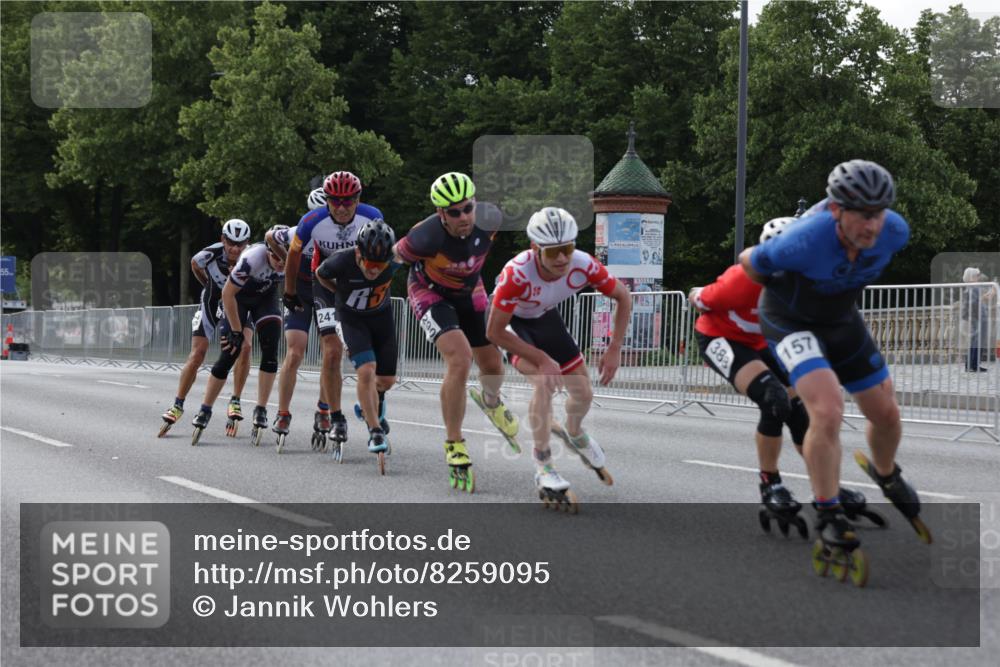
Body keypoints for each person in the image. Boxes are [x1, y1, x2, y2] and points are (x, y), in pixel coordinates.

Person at [740, 160, 929, 584]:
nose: (873, 225)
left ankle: (886, 473)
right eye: (863, 214)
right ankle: (828, 511)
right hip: (789, 319)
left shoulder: (895, 230)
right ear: (837, 210)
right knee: (826, 410)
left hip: (842, 319)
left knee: (886, 413)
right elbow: (750, 261)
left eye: (879, 212)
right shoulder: (803, 240)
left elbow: (878, 234)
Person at [691, 217, 882, 537]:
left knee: (803, 416)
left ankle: (827, 489)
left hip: (765, 342)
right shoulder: (740, 281)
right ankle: (771, 483)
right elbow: (697, 298)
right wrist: (698, 292)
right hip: (721, 338)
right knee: (773, 398)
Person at [487, 207, 630, 510]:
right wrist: (541, 359)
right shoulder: (517, 274)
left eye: (567, 249)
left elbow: (623, 297)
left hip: (545, 318)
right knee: (544, 380)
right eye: (554, 252)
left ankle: (576, 434)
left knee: (583, 393)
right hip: (513, 324)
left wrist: (615, 347)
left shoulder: (583, 265)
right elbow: (494, 332)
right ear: (535, 249)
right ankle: (544, 466)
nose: (563, 259)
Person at [393, 172, 518, 493]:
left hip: (470, 290)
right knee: (460, 360)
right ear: (440, 214)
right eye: (454, 212)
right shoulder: (423, 238)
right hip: (429, 292)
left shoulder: (490, 219)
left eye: (467, 208)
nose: (463, 217)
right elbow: (391, 261)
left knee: (492, 365)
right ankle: (454, 442)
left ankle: (491, 401)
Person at [277, 172, 384, 448]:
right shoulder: (312, 221)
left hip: (357, 283)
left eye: (348, 201)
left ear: (357, 199)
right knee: (333, 349)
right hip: (323, 281)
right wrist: (289, 292)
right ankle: (334, 415)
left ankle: (331, 405)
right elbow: (292, 256)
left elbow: (382, 251)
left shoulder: (372, 215)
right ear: (327, 200)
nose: (341, 206)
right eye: (334, 201)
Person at [190, 226, 288, 446]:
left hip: (265, 299)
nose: (281, 263)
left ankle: (261, 408)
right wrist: (235, 330)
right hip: (238, 299)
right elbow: (227, 294)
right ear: (268, 250)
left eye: (285, 259)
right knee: (230, 351)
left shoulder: (291, 261)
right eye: (276, 257)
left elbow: (295, 284)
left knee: (270, 349)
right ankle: (205, 409)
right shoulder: (252, 258)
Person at [315, 219, 401, 467]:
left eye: (380, 265)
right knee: (366, 370)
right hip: (351, 319)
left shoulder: (395, 259)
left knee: (385, 381)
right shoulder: (340, 261)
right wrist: (338, 294)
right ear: (358, 253)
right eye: (370, 263)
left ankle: (368, 406)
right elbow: (320, 274)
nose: (374, 270)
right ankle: (374, 430)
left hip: (381, 318)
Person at [159, 219, 252, 437]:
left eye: (241, 244)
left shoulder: (252, 258)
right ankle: (177, 404)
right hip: (211, 304)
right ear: (223, 240)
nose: (235, 249)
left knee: (245, 347)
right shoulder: (209, 254)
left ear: (247, 243)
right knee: (197, 354)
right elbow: (194, 264)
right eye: (230, 243)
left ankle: (236, 400)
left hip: (239, 306)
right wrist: (208, 285)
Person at [962, 267, 995, 372]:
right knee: (978, 340)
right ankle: (974, 365)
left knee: (975, 340)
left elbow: (979, 300)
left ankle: (970, 365)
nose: (978, 276)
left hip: (976, 316)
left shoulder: (970, 287)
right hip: (979, 316)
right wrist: (992, 292)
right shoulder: (974, 287)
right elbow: (977, 302)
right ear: (972, 277)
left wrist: (991, 293)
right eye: (977, 275)